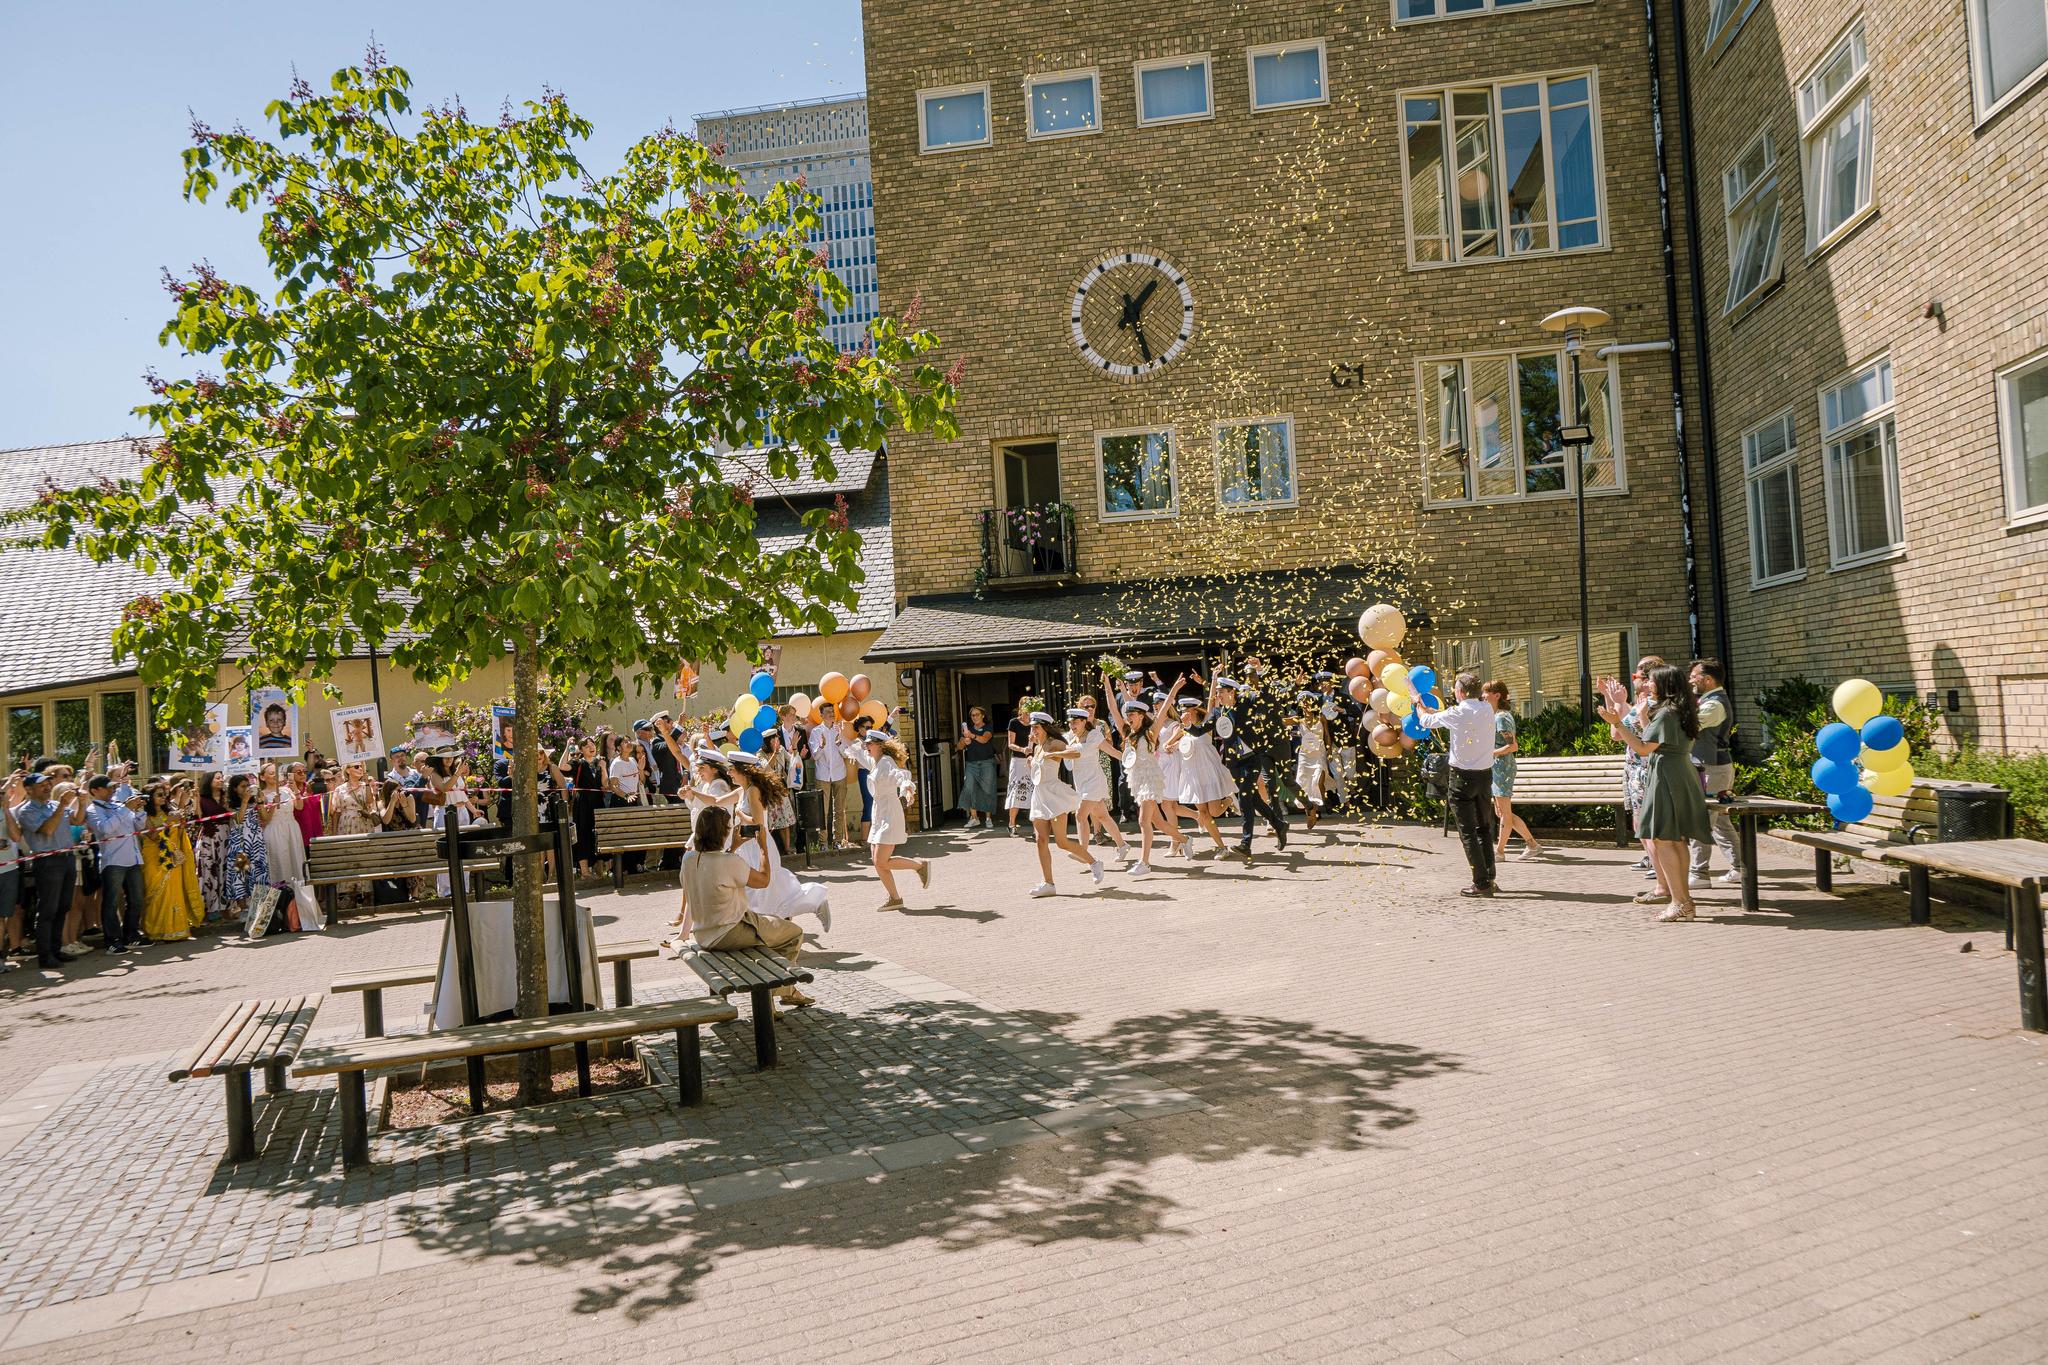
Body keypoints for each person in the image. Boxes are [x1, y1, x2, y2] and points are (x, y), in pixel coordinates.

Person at [1600, 666, 1712, 922]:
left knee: (1663, 838)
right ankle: (1684, 902)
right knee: (1676, 839)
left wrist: (1616, 722)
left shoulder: (1665, 714)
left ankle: (1679, 901)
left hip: (1666, 776)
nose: (1648, 685)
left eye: (1652, 681)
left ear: (1664, 685)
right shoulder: (1681, 711)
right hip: (1680, 773)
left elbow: (1641, 747)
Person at [678, 807, 814, 1009]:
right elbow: (763, 880)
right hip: (730, 931)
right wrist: (763, 847)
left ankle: (781, 993)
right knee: (793, 933)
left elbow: (716, 868)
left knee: (768, 932)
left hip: (702, 933)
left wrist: (733, 847)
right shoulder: (729, 862)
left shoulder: (689, 859)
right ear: (723, 832)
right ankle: (779, 990)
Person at [1415, 673, 1501, 897]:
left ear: (1461, 692)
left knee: (1468, 832)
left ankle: (1480, 883)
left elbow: (1426, 722)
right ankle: (1490, 877)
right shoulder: (1486, 709)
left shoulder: (1458, 712)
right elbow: (1455, 720)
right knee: (1484, 828)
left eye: (1455, 688)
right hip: (1484, 777)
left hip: (1461, 778)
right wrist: (1437, 713)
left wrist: (1418, 705)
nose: (1453, 691)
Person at [847, 725, 929, 910]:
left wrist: (908, 790)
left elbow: (900, 775)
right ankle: (895, 898)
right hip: (879, 812)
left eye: (869, 743)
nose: (866, 745)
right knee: (877, 861)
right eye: (866, 743)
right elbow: (857, 753)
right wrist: (841, 735)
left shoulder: (885, 762)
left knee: (881, 861)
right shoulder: (874, 761)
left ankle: (919, 866)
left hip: (889, 813)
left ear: (880, 746)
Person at [1023, 711, 1102, 898]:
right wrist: (1031, 762)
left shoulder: (1054, 743)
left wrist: (1056, 754)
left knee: (1061, 842)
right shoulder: (1037, 748)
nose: (1033, 730)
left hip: (1055, 796)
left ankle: (1094, 862)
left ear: (1045, 728)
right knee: (1040, 840)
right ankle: (1048, 884)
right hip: (1040, 796)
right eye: (1032, 727)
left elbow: (1074, 752)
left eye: (1036, 727)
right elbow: (1038, 773)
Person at [1211, 677, 1288, 865]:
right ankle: (1279, 824)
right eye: (1217, 691)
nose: (1217, 695)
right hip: (1234, 763)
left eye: (1221, 691)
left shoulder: (1246, 703)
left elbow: (1266, 697)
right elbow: (1202, 729)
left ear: (1231, 692)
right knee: (1253, 799)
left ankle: (1246, 843)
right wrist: (1188, 727)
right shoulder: (1218, 712)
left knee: (1245, 799)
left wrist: (1260, 674)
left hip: (1251, 759)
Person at [1101, 699, 1182, 877]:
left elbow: (1163, 710)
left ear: (1141, 715)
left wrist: (1174, 688)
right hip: (1137, 780)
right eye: (1127, 715)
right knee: (1158, 823)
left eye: (1131, 714)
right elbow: (1113, 708)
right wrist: (1107, 682)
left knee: (1143, 821)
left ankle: (1144, 862)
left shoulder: (1150, 732)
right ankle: (1184, 839)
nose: (1128, 717)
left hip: (1151, 778)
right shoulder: (1128, 734)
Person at [14, 772, 81, 969]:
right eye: (42, 785)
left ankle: (55, 949)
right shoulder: (26, 811)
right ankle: (45, 955)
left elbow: (77, 821)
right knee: (48, 909)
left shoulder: (53, 806)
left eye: (48, 784)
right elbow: (48, 830)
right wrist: (61, 805)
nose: (47, 787)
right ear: (28, 789)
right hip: (48, 862)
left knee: (63, 907)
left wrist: (82, 802)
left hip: (67, 858)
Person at [1688, 658, 1743, 888]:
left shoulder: (1714, 704)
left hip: (1713, 768)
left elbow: (1690, 725)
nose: (1690, 679)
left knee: (1702, 820)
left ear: (1708, 680)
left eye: (1694, 676)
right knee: (1720, 821)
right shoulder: (1709, 700)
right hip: (1714, 767)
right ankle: (1740, 868)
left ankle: (1699, 874)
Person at [84, 774, 149, 952]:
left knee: (136, 899)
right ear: (94, 791)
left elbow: (138, 826)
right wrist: (125, 809)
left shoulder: (118, 805)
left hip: (133, 858)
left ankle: (131, 935)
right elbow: (105, 830)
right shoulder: (92, 810)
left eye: (113, 787)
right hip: (113, 861)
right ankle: (112, 940)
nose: (112, 790)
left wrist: (139, 810)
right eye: (108, 787)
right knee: (111, 903)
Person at [1483, 681, 1543, 861]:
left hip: (1503, 768)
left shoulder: (1501, 717)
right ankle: (1532, 844)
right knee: (1502, 813)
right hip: (1497, 767)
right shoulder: (1496, 716)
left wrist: (1490, 752)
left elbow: (1512, 746)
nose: (1483, 696)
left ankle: (1499, 852)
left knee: (1504, 813)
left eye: (1486, 693)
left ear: (1497, 695)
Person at [1065, 706, 1131, 866]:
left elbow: (1111, 751)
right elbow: (1066, 761)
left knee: (1080, 815)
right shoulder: (1069, 737)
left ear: (1084, 722)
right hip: (1081, 782)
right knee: (1103, 816)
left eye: (1075, 722)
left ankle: (1082, 851)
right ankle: (1123, 846)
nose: (1072, 725)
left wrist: (1130, 760)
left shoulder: (1094, 735)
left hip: (1094, 782)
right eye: (1070, 722)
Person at [141, 790, 203, 943]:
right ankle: (156, 931)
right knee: (156, 893)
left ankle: (176, 930)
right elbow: (154, 837)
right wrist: (168, 821)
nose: (163, 797)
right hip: (154, 860)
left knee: (174, 892)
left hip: (173, 858)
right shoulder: (144, 816)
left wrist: (180, 817)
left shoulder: (170, 812)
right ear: (149, 798)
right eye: (159, 795)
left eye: (164, 795)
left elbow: (179, 832)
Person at [221, 774, 271, 923]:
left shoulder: (254, 801)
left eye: (247, 785)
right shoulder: (229, 803)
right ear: (235, 788)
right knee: (240, 875)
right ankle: (243, 909)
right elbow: (239, 819)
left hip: (256, 842)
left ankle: (258, 907)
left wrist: (261, 802)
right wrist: (244, 802)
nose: (246, 789)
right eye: (243, 786)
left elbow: (265, 818)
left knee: (258, 872)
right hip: (240, 845)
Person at [956, 706, 1002, 830]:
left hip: (987, 762)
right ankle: (974, 818)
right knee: (969, 788)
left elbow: (985, 739)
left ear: (982, 715)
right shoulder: (967, 730)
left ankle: (988, 818)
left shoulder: (987, 727)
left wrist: (971, 736)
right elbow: (959, 747)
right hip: (971, 763)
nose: (975, 717)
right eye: (973, 715)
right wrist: (964, 741)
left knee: (987, 789)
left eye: (977, 714)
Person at [195, 771, 231, 921]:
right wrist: (195, 799)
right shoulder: (202, 799)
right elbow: (198, 818)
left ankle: (226, 907)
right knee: (211, 871)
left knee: (226, 871)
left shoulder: (225, 797)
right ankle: (212, 908)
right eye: (217, 778)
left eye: (221, 777)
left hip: (226, 836)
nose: (220, 780)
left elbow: (231, 814)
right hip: (209, 838)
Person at [567, 737, 605, 878]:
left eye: (592, 744)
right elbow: (563, 767)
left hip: (597, 801)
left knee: (597, 833)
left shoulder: (598, 762)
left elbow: (605, 783)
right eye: (587, 745)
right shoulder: (578, 763)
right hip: (582, 802)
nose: (591, 747)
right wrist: (567, 747)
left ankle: (599, 870)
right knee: (582, 833)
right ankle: (585, 871)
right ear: (581, 749)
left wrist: (604, 768)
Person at [1292, 700, 1331, 830]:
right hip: (1305, 755)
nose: (1306, 705)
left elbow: (1326, 735)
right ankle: (1310, 812)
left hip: (1319, 752)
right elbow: (1280, 721)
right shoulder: (1298, 720)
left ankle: (1317, 807)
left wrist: (1330, 751)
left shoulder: (1321, 718)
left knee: (1317, 781)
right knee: (1303, 783)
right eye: (1303, 703)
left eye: (1308, 702)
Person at [1003, 700, 1036, 837]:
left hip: (1033, 760)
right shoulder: (1014, 722)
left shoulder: (1035, 722)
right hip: (1018, 761)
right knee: (1016, 790)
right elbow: (1011, 744)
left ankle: (1036, 828)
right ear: (1020, 707)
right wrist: (1023, 749)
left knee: (1035, 791)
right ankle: (1011, 824)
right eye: (1025, 705)